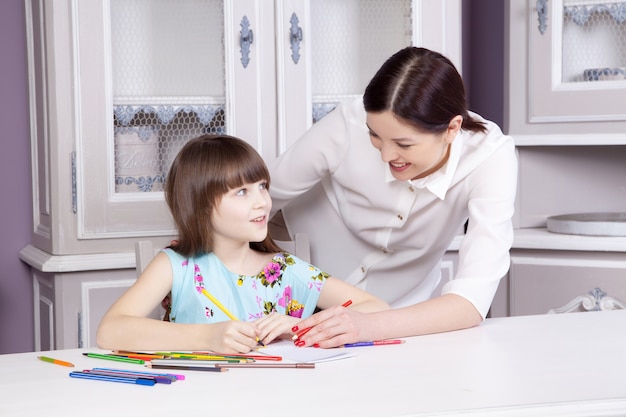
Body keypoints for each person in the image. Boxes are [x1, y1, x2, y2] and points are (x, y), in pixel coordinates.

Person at [269, 46, 518, 348]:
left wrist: (366, 325)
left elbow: (470, 300)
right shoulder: (348, 122)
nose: (387, 155)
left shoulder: (489, 157)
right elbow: (262, 197)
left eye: (404, 144)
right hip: (289, 292)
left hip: (389, 318)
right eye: (374, 136)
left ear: (452, 128)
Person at [96, 134, 390, 354]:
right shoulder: (175, 265)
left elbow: (377, 309)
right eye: (241, 192)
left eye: (262, 186)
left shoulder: (285, 271)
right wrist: (207, 338)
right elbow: (110, 331)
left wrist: (299, 326)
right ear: (199, 205)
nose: (262, 202)